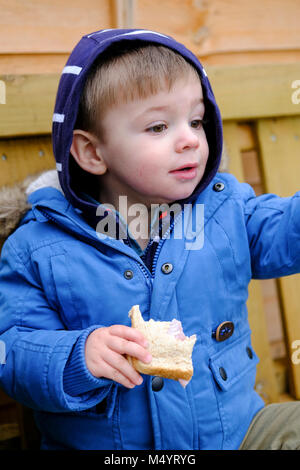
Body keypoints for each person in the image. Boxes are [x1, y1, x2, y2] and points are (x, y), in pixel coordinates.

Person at [0, 28, 300, 451]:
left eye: (196, 120)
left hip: (238, 436)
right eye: (159, 126)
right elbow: (11, 350)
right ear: (92, 153)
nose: (190, 139)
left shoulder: (224, 210)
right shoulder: (39, 248)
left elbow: (285, 232)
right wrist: (76, 357)